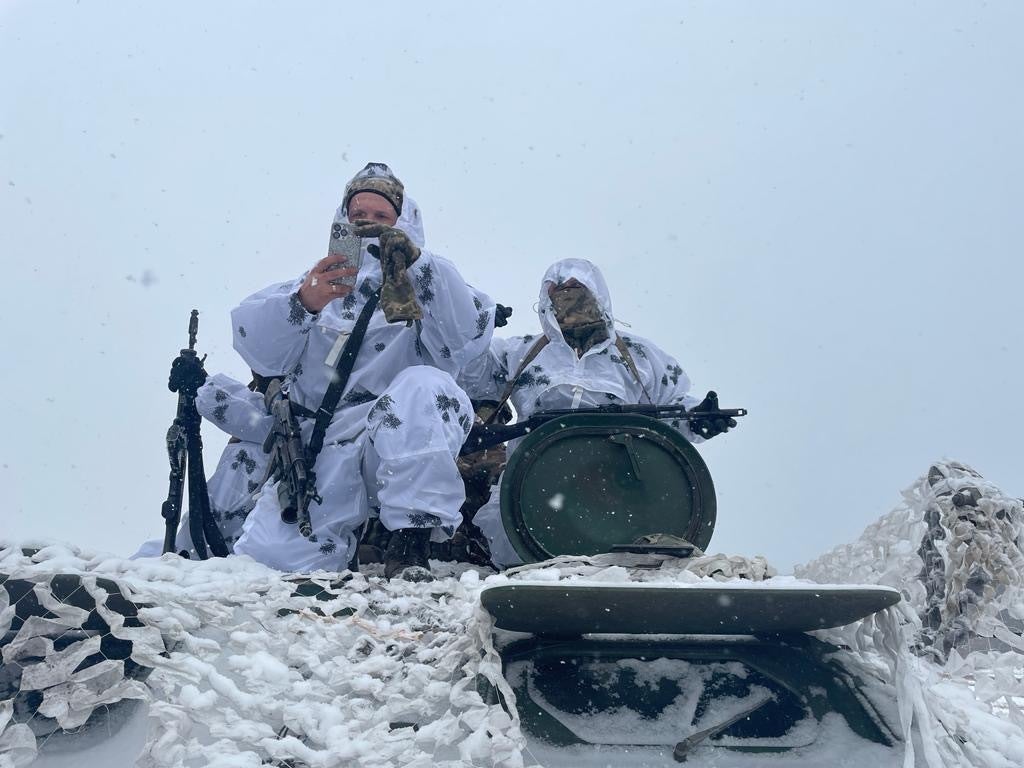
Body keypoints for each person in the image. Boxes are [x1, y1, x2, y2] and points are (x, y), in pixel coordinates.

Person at [219, 163, 494, 580]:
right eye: (357, 214)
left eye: (381, 217)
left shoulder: (430, 288)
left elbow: (468, 333)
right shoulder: (314, 284)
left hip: (391, 437)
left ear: (405, 224)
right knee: (272, 571)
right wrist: (303, 303)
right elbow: (255, 346)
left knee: (425, 387)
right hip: (319, 446)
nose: (366, 223)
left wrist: (416, 266)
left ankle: (411, 541)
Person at [459, 257, 734, 568]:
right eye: (559, 290)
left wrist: (701, 417)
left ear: (598, 293)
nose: (569, 296)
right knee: (518, 552)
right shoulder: (520, 354)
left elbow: (673, 411)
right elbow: (464, 368)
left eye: (578, 288)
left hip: (620, 492)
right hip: (534, 490)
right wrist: (475, 325)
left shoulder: (641, 357)